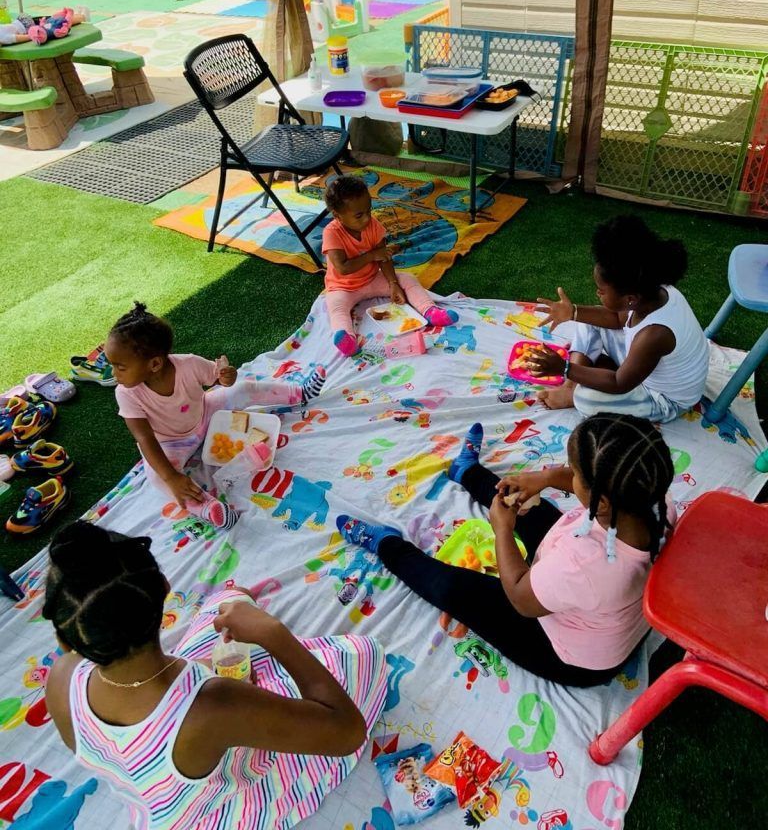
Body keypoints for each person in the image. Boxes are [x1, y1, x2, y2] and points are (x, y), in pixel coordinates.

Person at [44, 521, 387, 830]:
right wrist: (274, 635)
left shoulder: (62, 677)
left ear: (65, 639)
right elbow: (346, 733)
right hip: (217, 813)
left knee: (228, 600)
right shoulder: (215, 705)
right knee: (361, 656)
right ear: (165, 587)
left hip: (159, 795)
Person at [336, 414, 675, 688]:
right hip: (596, 602)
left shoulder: (582, 563)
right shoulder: (655, 502)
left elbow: (520, 598)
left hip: (568, 655)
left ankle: (387, 546)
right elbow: (589, 498)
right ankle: (467, 472)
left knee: (457, 590)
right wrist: (544, 479)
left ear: (600, 501)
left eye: (575, 476)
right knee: (534, 508)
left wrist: (503, 530)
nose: (567, 477)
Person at [106, 302, 326, 528]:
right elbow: (145, 439)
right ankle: (208, 509)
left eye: (120, 367)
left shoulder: (188, 364)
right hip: (170, 444)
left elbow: (217, 376)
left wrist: (226, 377)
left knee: (240, 390)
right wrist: (172, 477)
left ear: (154, 364)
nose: (114, 374)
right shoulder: (126, 394)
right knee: (157, 477)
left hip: (206, 415)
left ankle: (298, 392)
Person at [531, 215, 708, 422]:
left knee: (586, 400)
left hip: (662, 399)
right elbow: (616, 318)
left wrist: (565, 368)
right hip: (643, 367)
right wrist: (571, 312)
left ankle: (575, 390)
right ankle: (570, 386)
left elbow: (618, 383)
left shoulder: (655, 333)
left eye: (601, 291)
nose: (598, 294)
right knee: (588, 320)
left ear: (630, 298)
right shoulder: (652, 291)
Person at [322, 176, 458, 356]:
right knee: (336, 307)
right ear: (337, 216)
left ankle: (430, 311)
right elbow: (343, 268)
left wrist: (393, 284)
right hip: (342, 287)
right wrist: (371, 255)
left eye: (368, 211)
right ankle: (347, 338)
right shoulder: (331, 232)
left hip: (371, 279)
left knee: (407, 279)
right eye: (359, 215)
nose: (366, 218)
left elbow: (384, 258)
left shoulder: (373, 225)